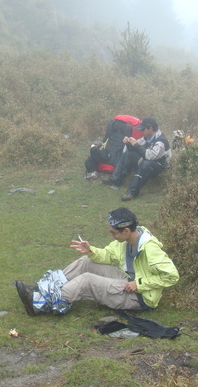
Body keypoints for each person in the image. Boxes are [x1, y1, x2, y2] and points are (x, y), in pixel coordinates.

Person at [15, 207, 178, 315]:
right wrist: (91, 250)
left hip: (140, 296)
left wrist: (140, 284)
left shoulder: (150, 248)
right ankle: (42, 288)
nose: (112, 236)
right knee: (86, 261)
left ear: (126, 231)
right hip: (127, 280)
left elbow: (171, 276)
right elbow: (107, 255)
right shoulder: (126, 241)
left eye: (114, 233)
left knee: (87, 280)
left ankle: (39, 302)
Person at [101, 117, 172, 201]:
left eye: (143, 129)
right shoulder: (148, 136)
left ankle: (131, 192)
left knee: (146, 164)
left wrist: (136, 145)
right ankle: (115, 179)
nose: (141, 131)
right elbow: (137, 147)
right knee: (129, 154)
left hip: (160, 166)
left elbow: (150, 156)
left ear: (150, 129)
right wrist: (128, 143)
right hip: (148, 160)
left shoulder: (161, 142)